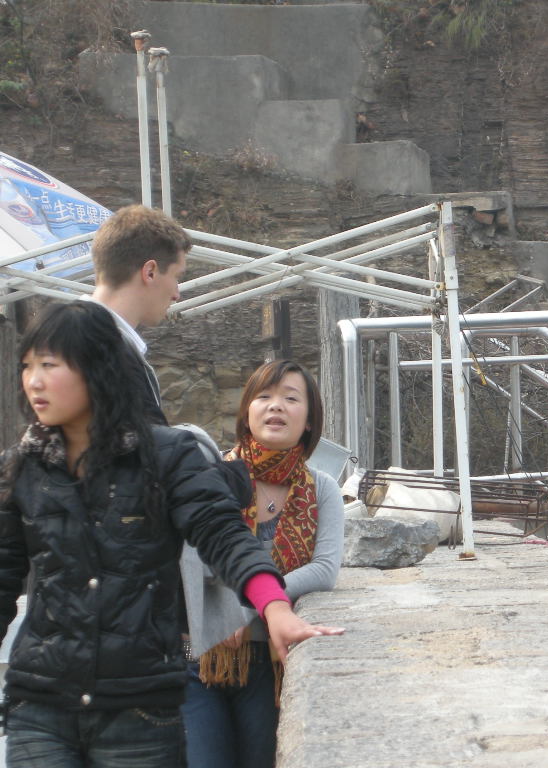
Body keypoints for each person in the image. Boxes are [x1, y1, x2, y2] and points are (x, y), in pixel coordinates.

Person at [0, 302, 344, 768]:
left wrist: (272, 604)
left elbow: (222, 534)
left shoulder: (168, 457)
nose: (34, 380)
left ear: (97, 369)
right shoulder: (22, 467)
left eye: (50, 365)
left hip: (137, 703)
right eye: (27, 366)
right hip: (40, 703)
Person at [182, 360, 345, 768]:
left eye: (291, 399)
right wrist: (223, 614)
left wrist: (249, 607)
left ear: (308, 420)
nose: (276, 407)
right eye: (264, 397)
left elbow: (325, 568)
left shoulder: (321, 487)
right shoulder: (211, 475)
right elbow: (191, 558)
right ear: (247, 411)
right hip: (200, 657)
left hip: (269, 661)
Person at [87, 204, 191, 424]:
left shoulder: (77, 336)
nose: (176, 294)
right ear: (150, 272)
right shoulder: (99, 348)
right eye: (176, 277)